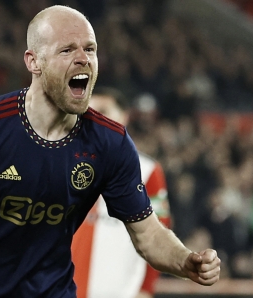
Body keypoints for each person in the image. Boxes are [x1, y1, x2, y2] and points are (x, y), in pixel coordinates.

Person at [0, 5, 221, 298]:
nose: (83, 58)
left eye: (90, 49)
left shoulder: (110, 143)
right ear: (34, 62)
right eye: (67, 50)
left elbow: (147, 234)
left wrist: (184, 260)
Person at [71, 86, 171, 298]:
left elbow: (159, 236)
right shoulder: (57, 165)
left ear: (124, 116)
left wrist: (146, 289)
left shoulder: (148, 172)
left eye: (104, 111)